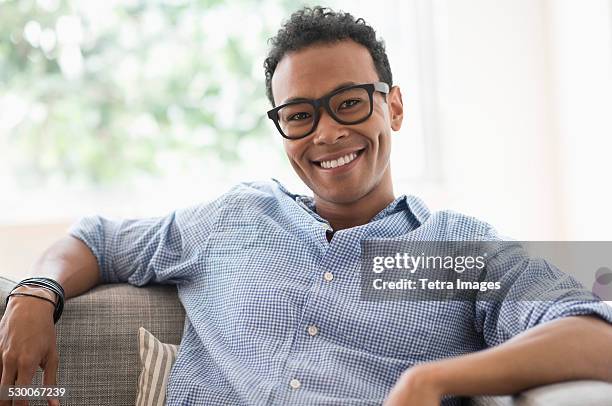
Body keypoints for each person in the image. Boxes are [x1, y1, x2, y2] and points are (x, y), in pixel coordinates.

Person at [1, 6, 611, 406]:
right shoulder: (233, 221)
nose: (325, 133)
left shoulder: (455, 251)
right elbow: (98, 240)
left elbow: (595, 337)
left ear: (392, 107)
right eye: (300, 115)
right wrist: (35, 291)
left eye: (349, 103)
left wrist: (433, 379)